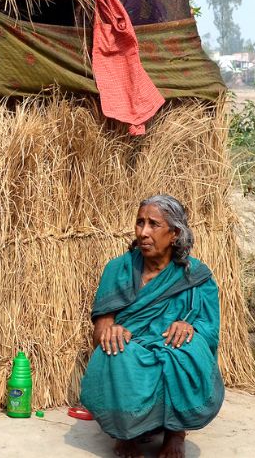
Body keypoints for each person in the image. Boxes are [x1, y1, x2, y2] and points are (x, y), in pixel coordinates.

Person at [79, 194, 224, 458]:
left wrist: (190, 327)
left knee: (186, 350)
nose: (143, 232)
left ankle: (175, 433)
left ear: (174, 234)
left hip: (170, 344)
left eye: (153, 224)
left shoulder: (196, 276)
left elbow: (210, 329)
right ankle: (126, 434)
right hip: (133, 348)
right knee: (117, 351)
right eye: (139, 223)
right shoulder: (118, 269)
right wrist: (112, 328)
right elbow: (100, 331)